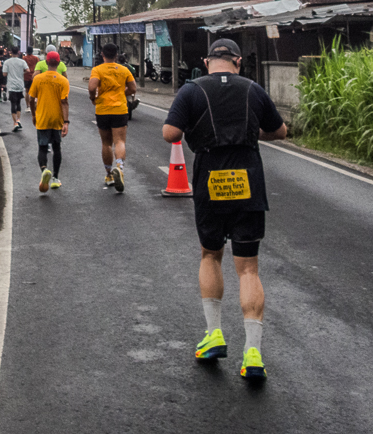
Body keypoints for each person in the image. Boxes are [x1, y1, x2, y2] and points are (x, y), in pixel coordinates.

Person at [160, 38, 287, 383]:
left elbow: (170, 132)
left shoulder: (192, 90)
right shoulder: (253, 89)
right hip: (249, 178)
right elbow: (281, 131)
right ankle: (254, 353)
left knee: (210, 256)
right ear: (237, 61)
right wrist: (250, 131)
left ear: (206, 60)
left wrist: (195, 129)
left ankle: (214, 335)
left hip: (210, 180)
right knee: (248, 268)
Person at [88, 42, 137, 192]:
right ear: (116, 55)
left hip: (102, 110)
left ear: (102, 55)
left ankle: (109, 174)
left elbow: (91, 87)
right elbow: (133, 88)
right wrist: (123, 93)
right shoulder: (124, 69)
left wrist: (93, 98)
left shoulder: (97, 70)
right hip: (120, 109)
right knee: (120, 141)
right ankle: (120, 168)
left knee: (106, 143)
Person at [28, 50, 70, 192]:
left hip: (42, 118)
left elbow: (30, 99)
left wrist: (34, 114)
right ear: (58, 63)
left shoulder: (38, 79)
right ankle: (56, 178)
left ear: (46, 62)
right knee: (57, 147)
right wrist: (66, 122)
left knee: (42, 147)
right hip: (57, 119)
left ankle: (44, 170)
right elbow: (64, 102)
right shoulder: (63, 81)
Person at [2, 49, 29, 133]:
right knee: (18, 103)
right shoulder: (22, 61)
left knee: (13, 103)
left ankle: (15, 123)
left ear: (10, 53)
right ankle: (18, 119)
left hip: (11, 85)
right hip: (20, 85)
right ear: (18, 53)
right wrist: (21, 73)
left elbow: (4, 74)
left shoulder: (7, 62)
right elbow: (28, 70)